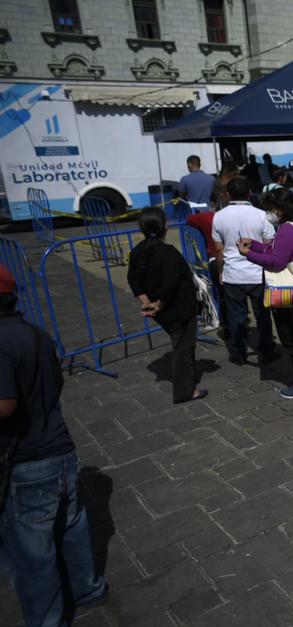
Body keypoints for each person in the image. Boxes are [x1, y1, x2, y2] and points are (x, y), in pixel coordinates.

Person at [0, 265, 110, 626]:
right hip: (59, 446)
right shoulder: (35, 333)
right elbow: (55, 381)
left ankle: (48, 619)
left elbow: (6, 405)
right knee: (72, 525)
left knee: (31, 553)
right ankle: (88, 587)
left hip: (26, 458)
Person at [238, 188, 293, 399]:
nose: (268, 213)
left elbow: (276, 262)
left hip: (285, 296)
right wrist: (256, 245)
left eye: (270, 209)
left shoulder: (285, 229)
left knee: (291, 339)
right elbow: (276, 252)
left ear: (279, 209)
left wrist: (249, 254)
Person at [127, 209, 206, 403]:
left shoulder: (137, 251)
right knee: (183, 348)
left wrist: (146, 302)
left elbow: (132, 280)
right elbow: (170, 284)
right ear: (166, 227)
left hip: (160, 309)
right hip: (177, 309)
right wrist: (159, 304)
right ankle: (185, 391)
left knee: (182, 345)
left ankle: (186, 385)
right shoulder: (168, 252)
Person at [212, 176, 277, 366]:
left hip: (233, 274)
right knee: (262, 315)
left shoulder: (219, 216)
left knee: (236, 315)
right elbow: (269, 245)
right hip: (258, 273)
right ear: (249, 193)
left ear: (227, 195)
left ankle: (238, 352)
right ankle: (266, 350)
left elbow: (218, 249)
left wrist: (220, 271)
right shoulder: (261, 215)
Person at [185, 205, 229, 339]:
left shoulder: (208, 217)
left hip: (216, 260)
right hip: (238, 260)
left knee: (222, 296)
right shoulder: (238, 216)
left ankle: (227, 326)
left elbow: (189, 219)